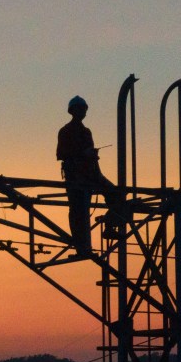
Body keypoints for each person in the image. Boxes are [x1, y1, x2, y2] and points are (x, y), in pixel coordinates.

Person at [56, 96, 122, 255]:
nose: (83, 112)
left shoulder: (86, 132)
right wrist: (82, 153)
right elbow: (61, 154)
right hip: (75, 177)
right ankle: (82, 246)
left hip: (91, 174)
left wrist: (92, 156)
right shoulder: (65, 131)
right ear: (72, 111)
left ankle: (110, 225)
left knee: (116, 195)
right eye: (80, 109)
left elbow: (90, 156)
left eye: (84, 109)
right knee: (78, 211)